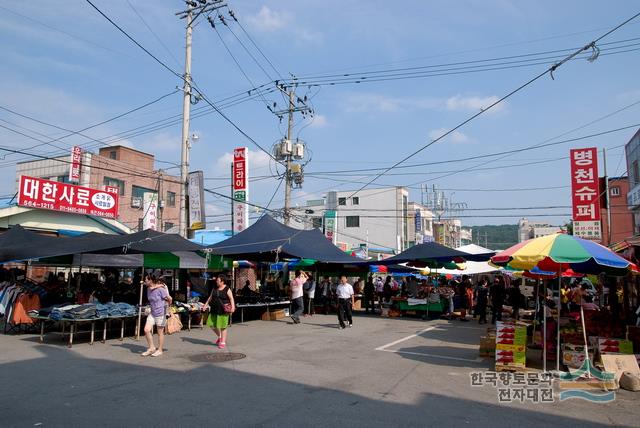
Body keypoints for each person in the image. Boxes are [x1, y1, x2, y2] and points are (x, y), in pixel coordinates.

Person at [142, 271, 172, 357]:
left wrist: (168, 307)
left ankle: (160, 350)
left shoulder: (161, 289)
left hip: (160, 313)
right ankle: (151, 348)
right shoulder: (148, 289)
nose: (145, 281)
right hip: (152, 313)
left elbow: (170, 298)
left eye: (146, 280)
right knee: (146, 330)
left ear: (150, 280)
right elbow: (145, 284)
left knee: (160, 332)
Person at [203, 274, 236, 349]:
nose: (216, 282)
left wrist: (233, 307)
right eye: (217, 280)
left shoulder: (227, 289)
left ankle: (223, 342)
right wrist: (205, 305)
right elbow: (210, 297)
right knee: (211, 324)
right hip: (214, 310)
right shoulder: (214, 288)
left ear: (222, 281)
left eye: (218, 280)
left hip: (223, 311)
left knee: (223, 326)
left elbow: (231, 298)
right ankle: (220, 336)